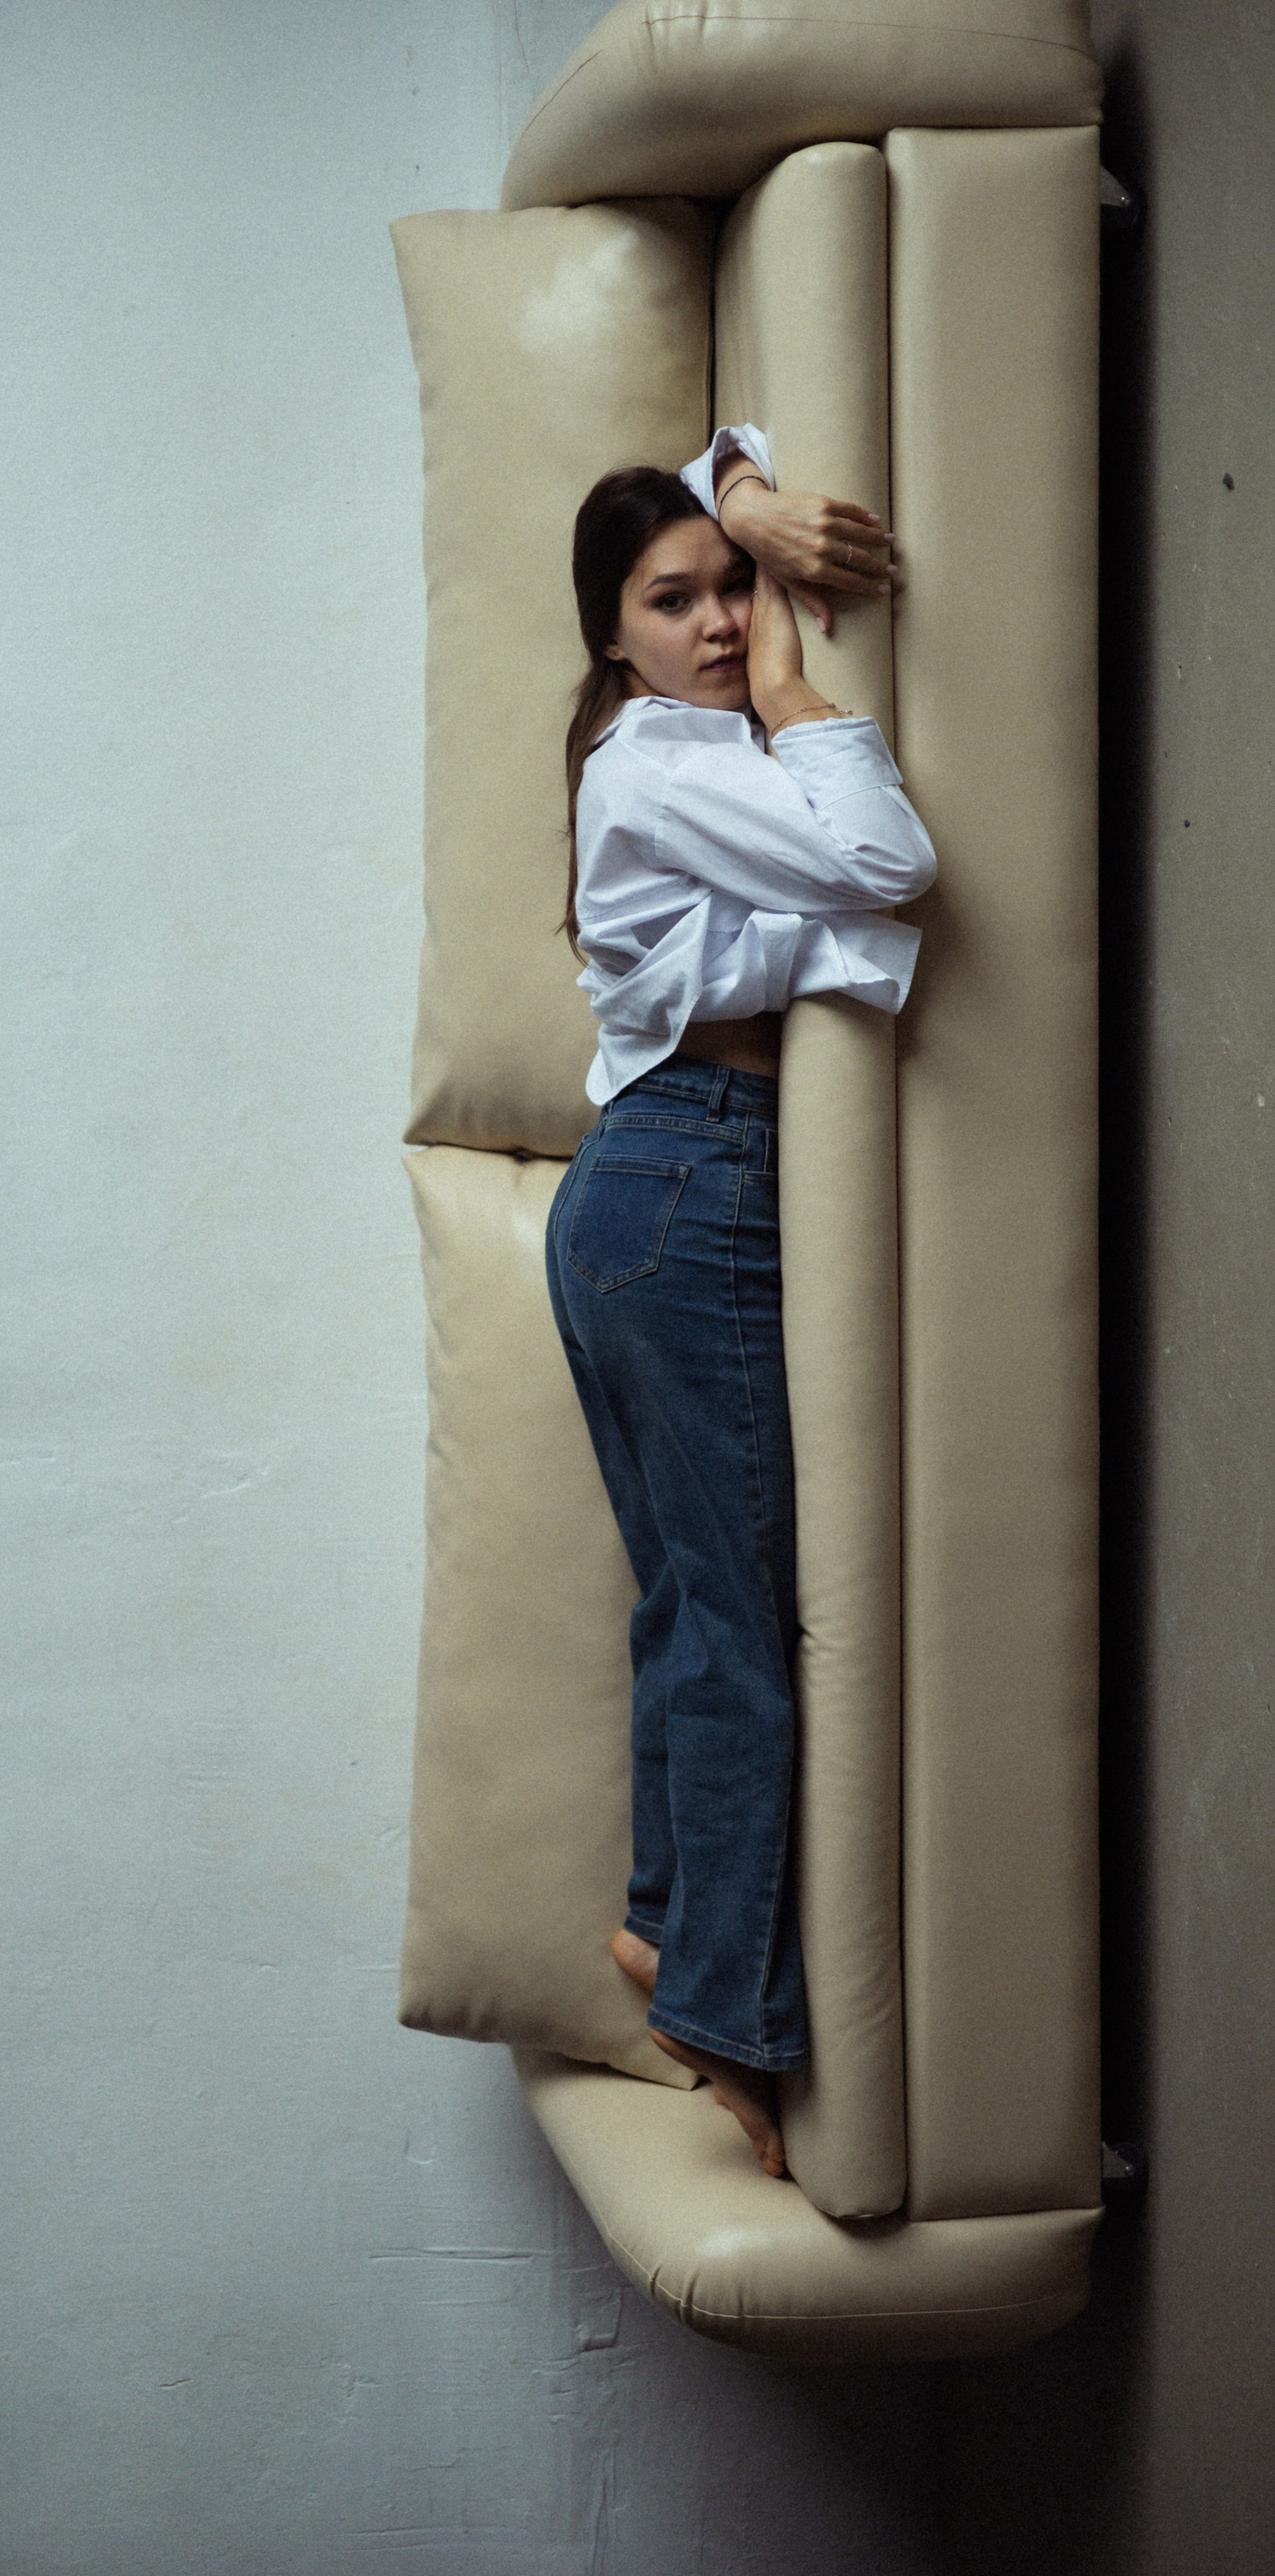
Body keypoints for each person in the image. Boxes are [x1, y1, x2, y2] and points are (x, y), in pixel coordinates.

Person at [544, 429, 938, 2177]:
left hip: (645, 1185)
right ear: (611, 634)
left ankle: (666, 1925)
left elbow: (746, 435)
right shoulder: (663, 761)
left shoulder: (661, 760)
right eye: (674, 600)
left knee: (691, 1604)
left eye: (730, 592)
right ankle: (720, 2007)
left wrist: (752, 499)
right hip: (686, 1178)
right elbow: (888, 859)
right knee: (737, 1622)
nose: (716, 621)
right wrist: (788, 683)